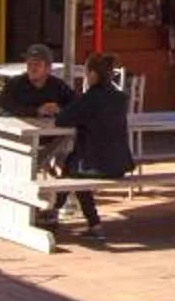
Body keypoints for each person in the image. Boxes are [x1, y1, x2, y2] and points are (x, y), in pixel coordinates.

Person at [47, 52, 135, 240]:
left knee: (72, 170)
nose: (86, 76)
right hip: (119, 164)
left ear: (93, 75)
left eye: (87, 72)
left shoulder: (91, 98)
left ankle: (85, 221)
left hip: (96, 165)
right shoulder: (120, 98)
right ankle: (58, 214)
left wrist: (60, 110)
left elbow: (63, 119)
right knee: (73, 169)